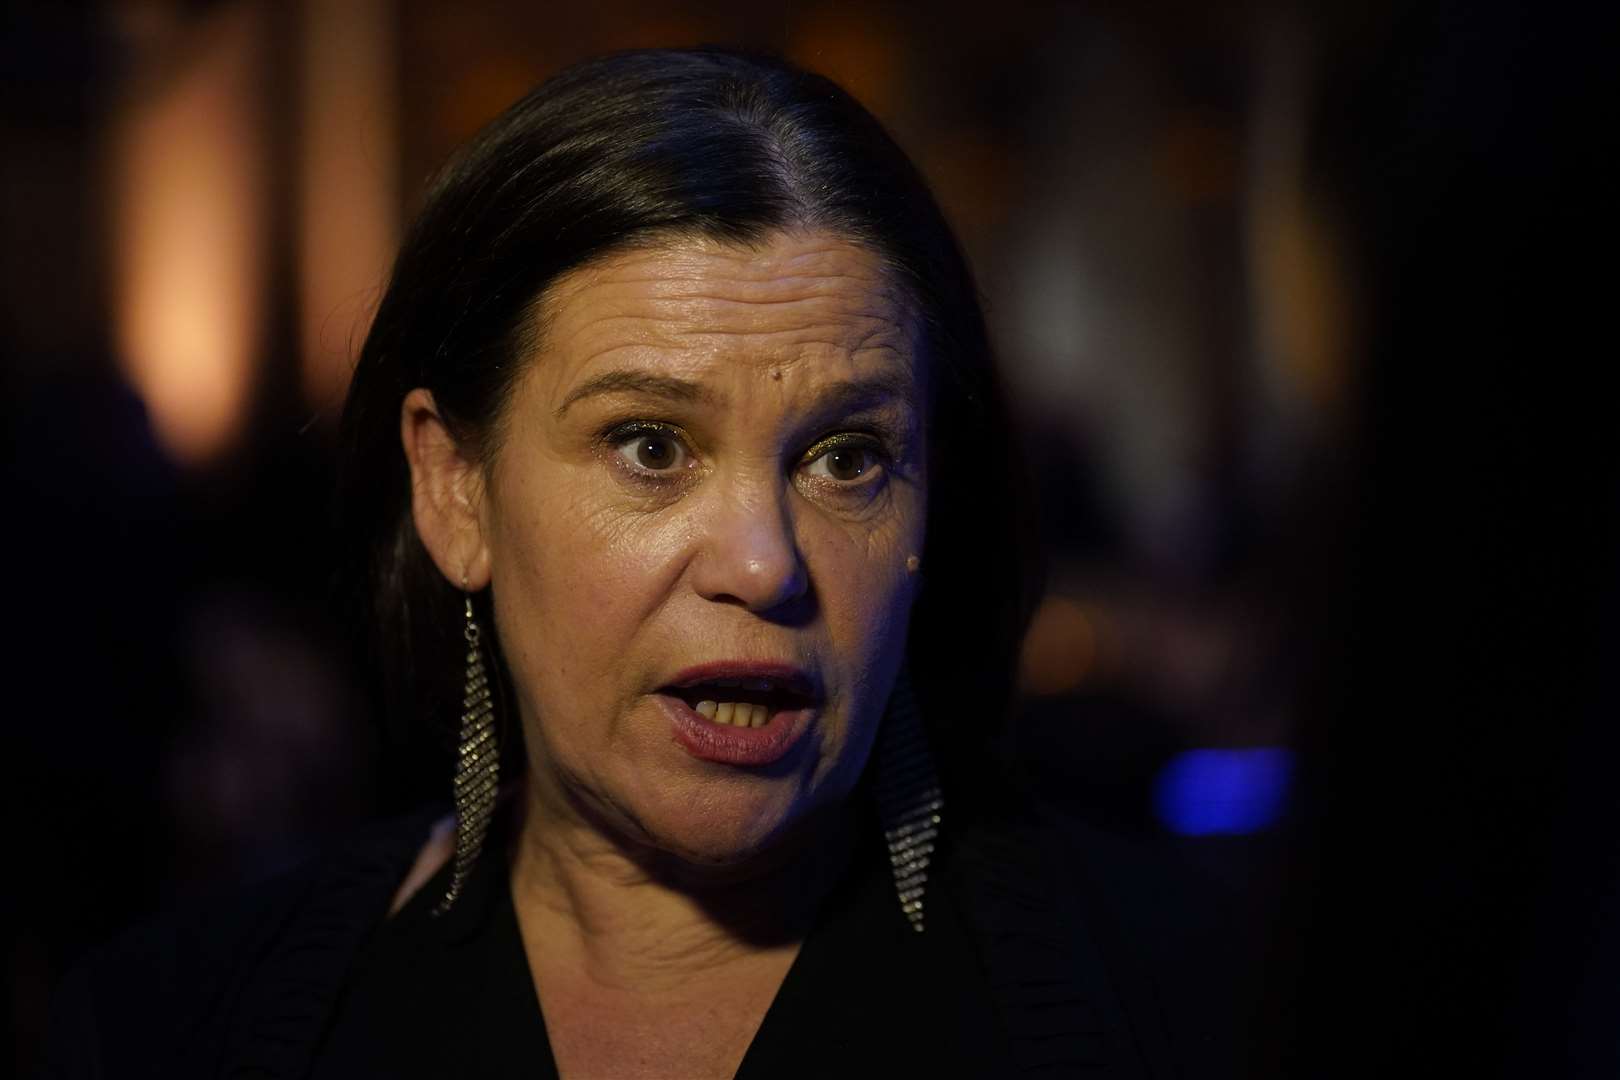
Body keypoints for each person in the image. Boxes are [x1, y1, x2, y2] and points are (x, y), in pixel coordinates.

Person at [43, 47, 1238, 1078]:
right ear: (456, 491)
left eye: (845, 459)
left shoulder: (1202, 1005)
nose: (766, 564)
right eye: (652, 445)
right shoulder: (177, 1024)